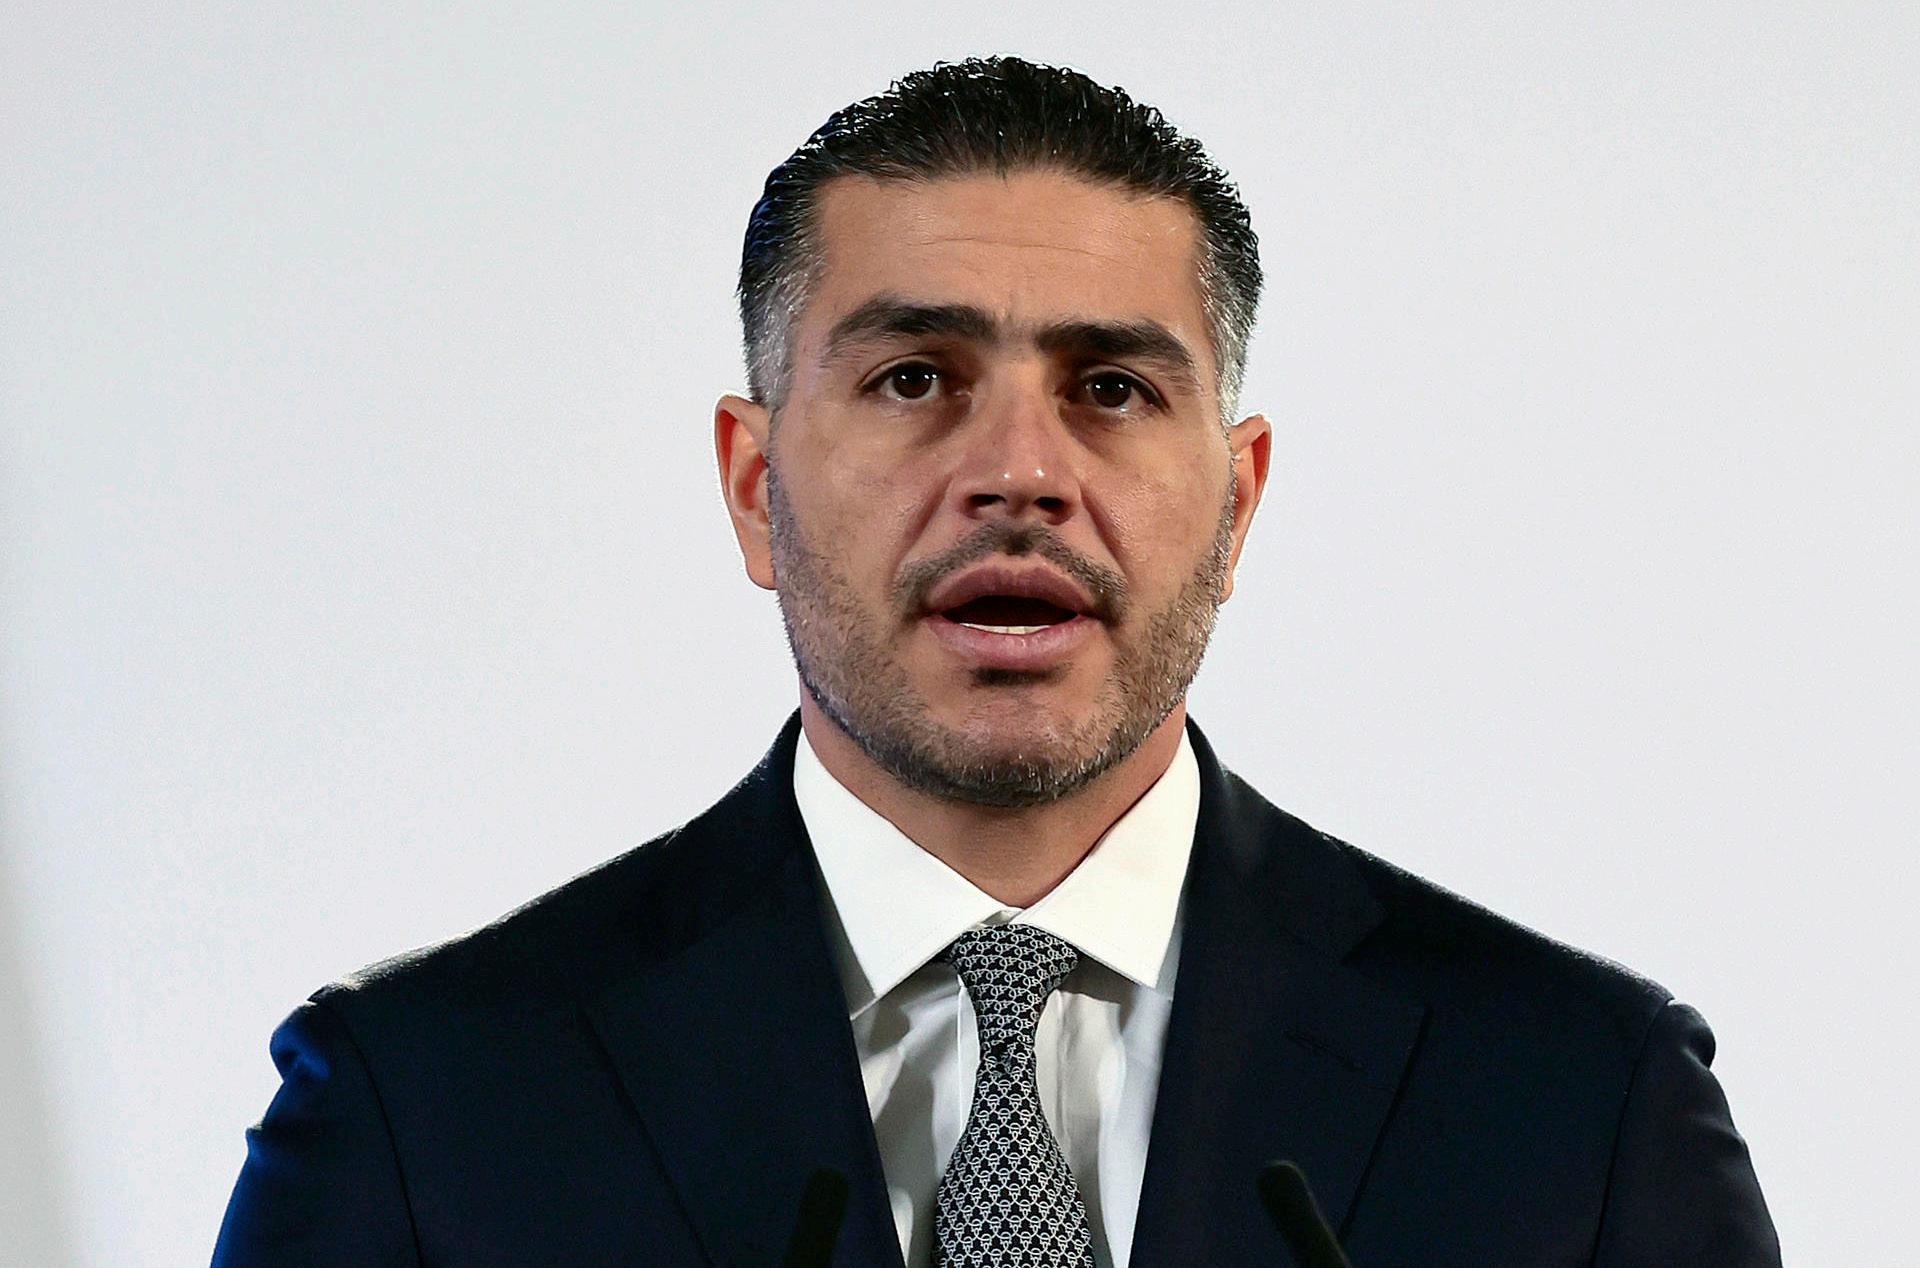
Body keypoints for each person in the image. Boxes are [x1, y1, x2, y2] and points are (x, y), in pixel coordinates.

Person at [213, 57, 1779, 1266]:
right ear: (755, 486)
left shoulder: (1582, 1107)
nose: (1019, 473)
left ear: (1236, 502)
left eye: (1111, 388)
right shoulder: (426, 1111)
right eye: (915, 378)